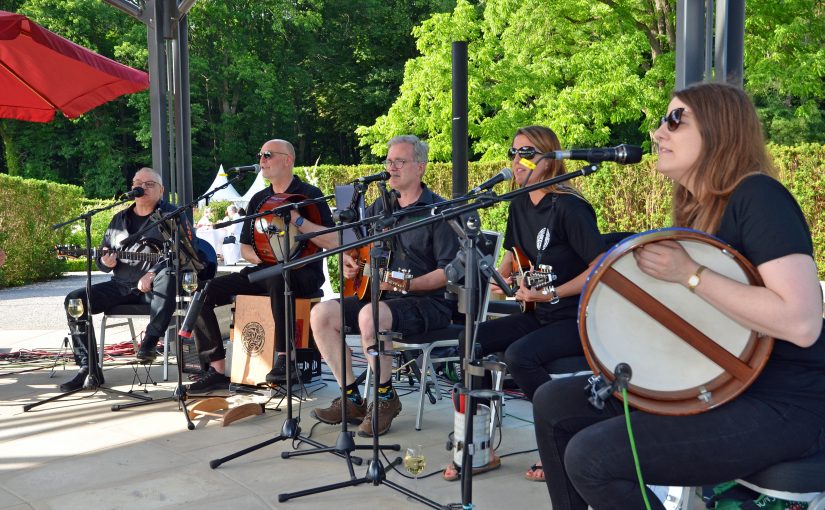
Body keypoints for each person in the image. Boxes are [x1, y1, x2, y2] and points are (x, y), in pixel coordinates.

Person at [532, 82, 825, 509]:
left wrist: (691, 274)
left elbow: (801, 323)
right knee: (554, 401)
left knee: (593, 457)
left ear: (720, 129)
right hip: (722, 386)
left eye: (675, 120)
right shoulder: (697, 209)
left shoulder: (759, 197)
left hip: (784, 402)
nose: (657, 133)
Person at [442, 126, 605, 482]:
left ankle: (559, 443)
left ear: (549, 159)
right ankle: (479, 446)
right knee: (470, 338)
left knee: (520, 356)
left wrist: (552, 293)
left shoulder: (570, 207)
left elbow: (601, 267)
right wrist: (500, 278)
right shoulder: (519, 203)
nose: (517, 160)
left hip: (575, 319)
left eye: (527, 152)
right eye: (514, 152)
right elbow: (515, 257)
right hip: (537, 314)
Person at [309, 135, 460, 437]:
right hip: (381, 296)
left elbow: (448, 272)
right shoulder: (381, 206)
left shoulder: (439, 212)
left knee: (370, 315)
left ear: (420, 167)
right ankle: (352, 398)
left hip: (428, 303)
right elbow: (359, 250)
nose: (391, 167)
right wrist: (351, 262)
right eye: (388, 161)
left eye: (399, 161)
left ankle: (385, 397)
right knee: (321, 314)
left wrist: (411, 284)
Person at [186, 139, 336, 395]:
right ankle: (216, 369)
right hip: (264, 269)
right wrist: (267, 258)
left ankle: (284, 359)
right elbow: (245, 248)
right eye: (260, 155)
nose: (261, 160)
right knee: (204, 290)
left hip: (303, 272)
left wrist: (298, 220)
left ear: (288, 160)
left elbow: (334, 240)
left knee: (279, 278)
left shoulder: (310, 194)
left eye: (267, 155)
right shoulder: (258, 199)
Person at [60, 167, 180, 391]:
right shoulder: (118, 219)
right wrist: (105, 263)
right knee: (75, 301)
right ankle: (88, 369)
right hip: (120, 286)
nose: (141, 187)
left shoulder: (172, 215)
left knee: (168, 276)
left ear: (161, 191)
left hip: (155, 291)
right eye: (137, 183)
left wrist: (153, 272)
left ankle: (150, 343)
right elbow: (103, 256)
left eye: (148, 184)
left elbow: (184, 253)